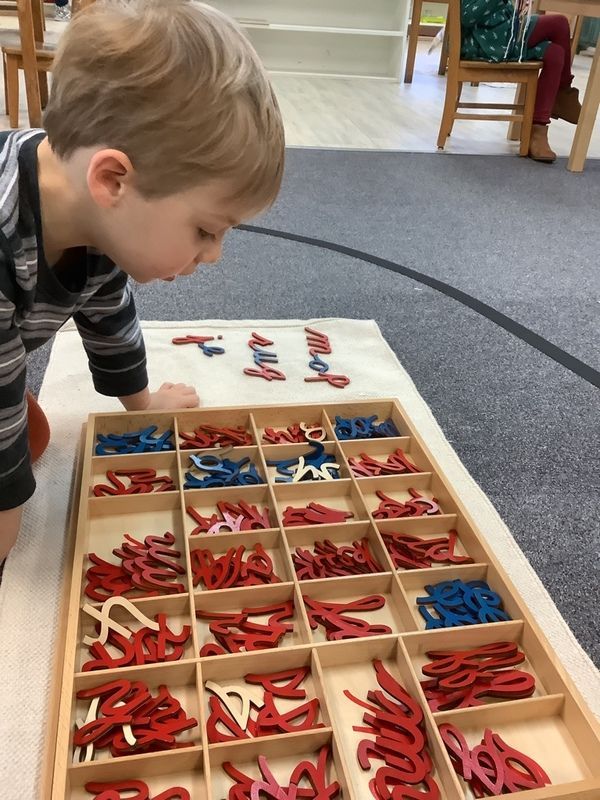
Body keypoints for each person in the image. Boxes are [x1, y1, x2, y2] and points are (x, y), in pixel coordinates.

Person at [0, 0, 285, 568]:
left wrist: (143, 402)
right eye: (205, 230)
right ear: (114, 180)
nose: (214, 255)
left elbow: (109, 317)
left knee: (28, 434)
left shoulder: (95, 209)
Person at [461, 0, 582, 162]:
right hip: (487, 40)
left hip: (505, 32)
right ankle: (562, 93)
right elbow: (466, 16)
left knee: (555, 53)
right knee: (559, 23)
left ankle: (538, 131)